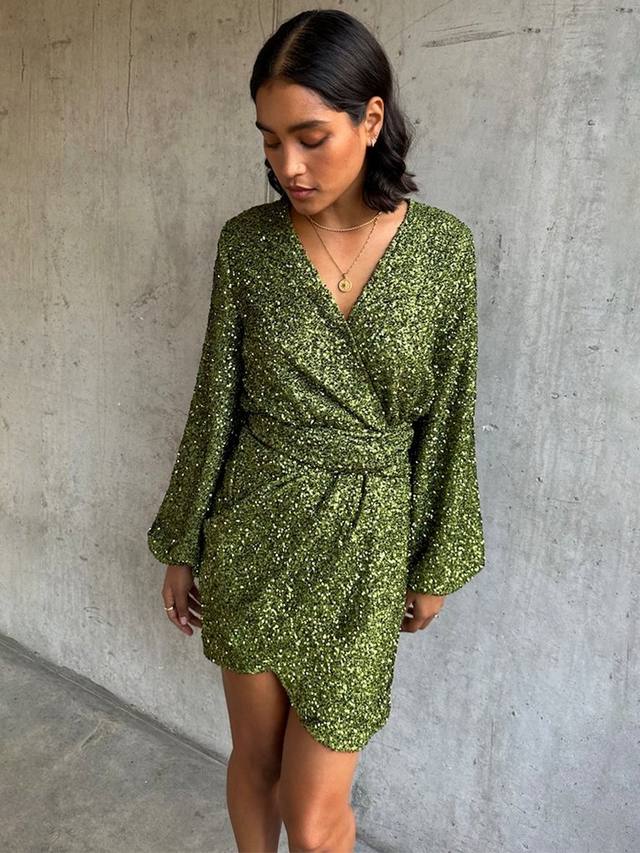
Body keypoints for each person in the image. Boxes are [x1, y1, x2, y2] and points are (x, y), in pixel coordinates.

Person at [146, 8, 485, 853]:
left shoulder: (443, 250)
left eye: (310, 137)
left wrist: (436, 558)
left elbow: (450, 417)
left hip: (367, 547)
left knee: (317, 811)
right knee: (255, 759)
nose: (287, 166)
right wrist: (183, 542)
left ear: (371, 118)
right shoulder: (248, 245)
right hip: (253, 528)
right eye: (269, 141)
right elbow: (214, 402)